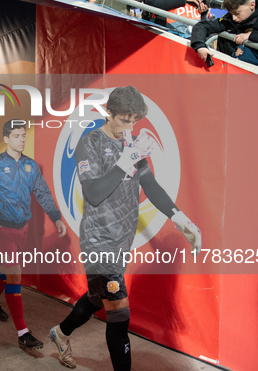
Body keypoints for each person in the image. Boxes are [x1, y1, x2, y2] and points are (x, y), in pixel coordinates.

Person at [48, 87, 202, 370]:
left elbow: (151, 185)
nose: (129, 127)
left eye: (134, 120)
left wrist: (180, 219)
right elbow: (93, 193)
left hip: (121, 240)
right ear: (109, 112)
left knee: (97, 297)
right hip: (98, 240)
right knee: (119, 314)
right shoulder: (90, 142)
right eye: (124, 119)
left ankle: (60, 332)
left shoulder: (132, 143)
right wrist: (122, 163)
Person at [0, 120, 67, 350]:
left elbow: (43, 193)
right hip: (1, 229)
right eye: (16, 136)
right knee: (15, 275)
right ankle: (23, 332)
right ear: (6, 139)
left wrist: (56, 217)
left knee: (6, 271)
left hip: (22, 230)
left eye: (24, 135)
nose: (22, 139)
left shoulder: (31, 166)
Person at [144, 0, 221, 37]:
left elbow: (198, 17)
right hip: (167, 33)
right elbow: (151, 0)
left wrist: (203, 12)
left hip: (192, 37)